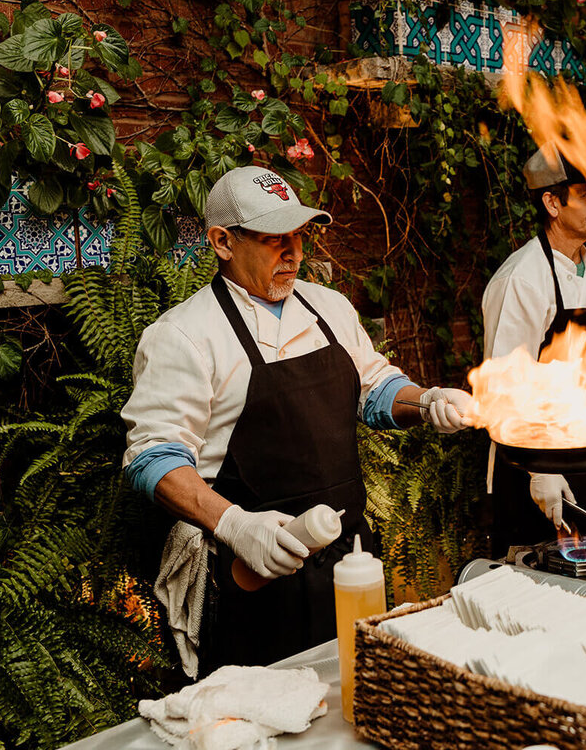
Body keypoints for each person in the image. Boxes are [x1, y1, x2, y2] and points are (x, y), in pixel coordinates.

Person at [121, 166, 473, 676]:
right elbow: (151, 458)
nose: (295, 253)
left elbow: (375, 390)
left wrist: (425, 401)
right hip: (255, 574)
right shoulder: (184, 335)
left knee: (362, 696)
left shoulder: (327, 307)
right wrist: (234, 524)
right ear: (223, 241)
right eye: (273, 240)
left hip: (350, 559)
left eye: (300, 235)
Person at [481, 144, 586, 554]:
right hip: (532, 469)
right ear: (552, 202)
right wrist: (540, 469)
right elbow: (503, 388)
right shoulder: (522, 278)